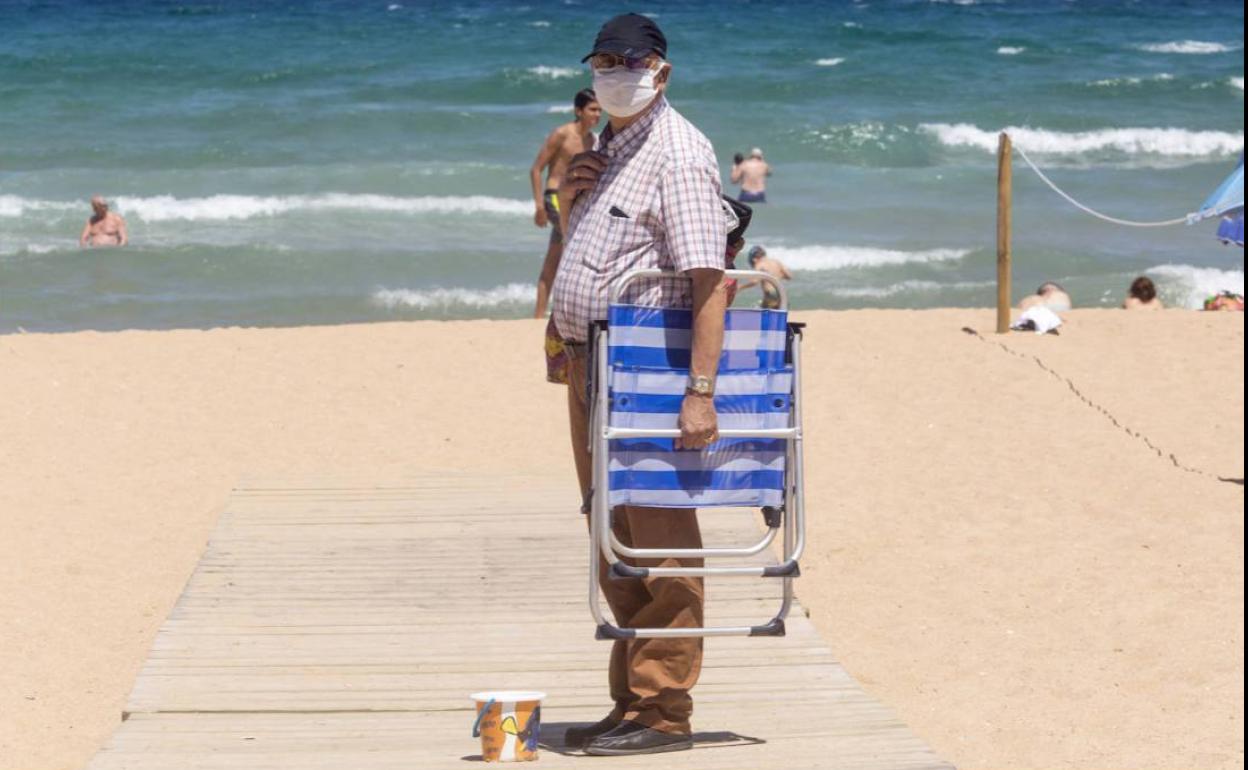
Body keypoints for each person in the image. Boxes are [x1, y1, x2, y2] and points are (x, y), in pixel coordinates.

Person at [551, 13, 730, 756]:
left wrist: (700, 389)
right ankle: (632, 698)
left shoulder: (679, 156)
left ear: (661, 70)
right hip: (593, 367)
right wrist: (569, 198)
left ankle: (665, 711)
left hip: (650, 373)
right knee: (612, 533)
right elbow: (592, 256)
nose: (613, 69)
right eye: (602, 59)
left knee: (661, 538)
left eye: (628, 59)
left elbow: (709, 281)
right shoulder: (607, 150)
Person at [530, 89, 602, 319]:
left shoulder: (593, 140)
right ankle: (553, 314)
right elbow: (536, 169)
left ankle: (540, 316)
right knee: (572, 249)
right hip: (554, 197)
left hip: (576, 201)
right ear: (578, 111)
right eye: (592, 109)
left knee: (556, 256)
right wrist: (539, 206)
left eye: (600, 110)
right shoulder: (562, 134)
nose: (597, 114)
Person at [739, 245, 792, 309]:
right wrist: (777, 275)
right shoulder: (776, 262)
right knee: (779, 312)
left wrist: (741, 287)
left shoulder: (759, 264)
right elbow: (789, 276)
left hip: (770, 294)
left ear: (754, 259)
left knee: (763, 311)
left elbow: (754, 281)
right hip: (781, 293)